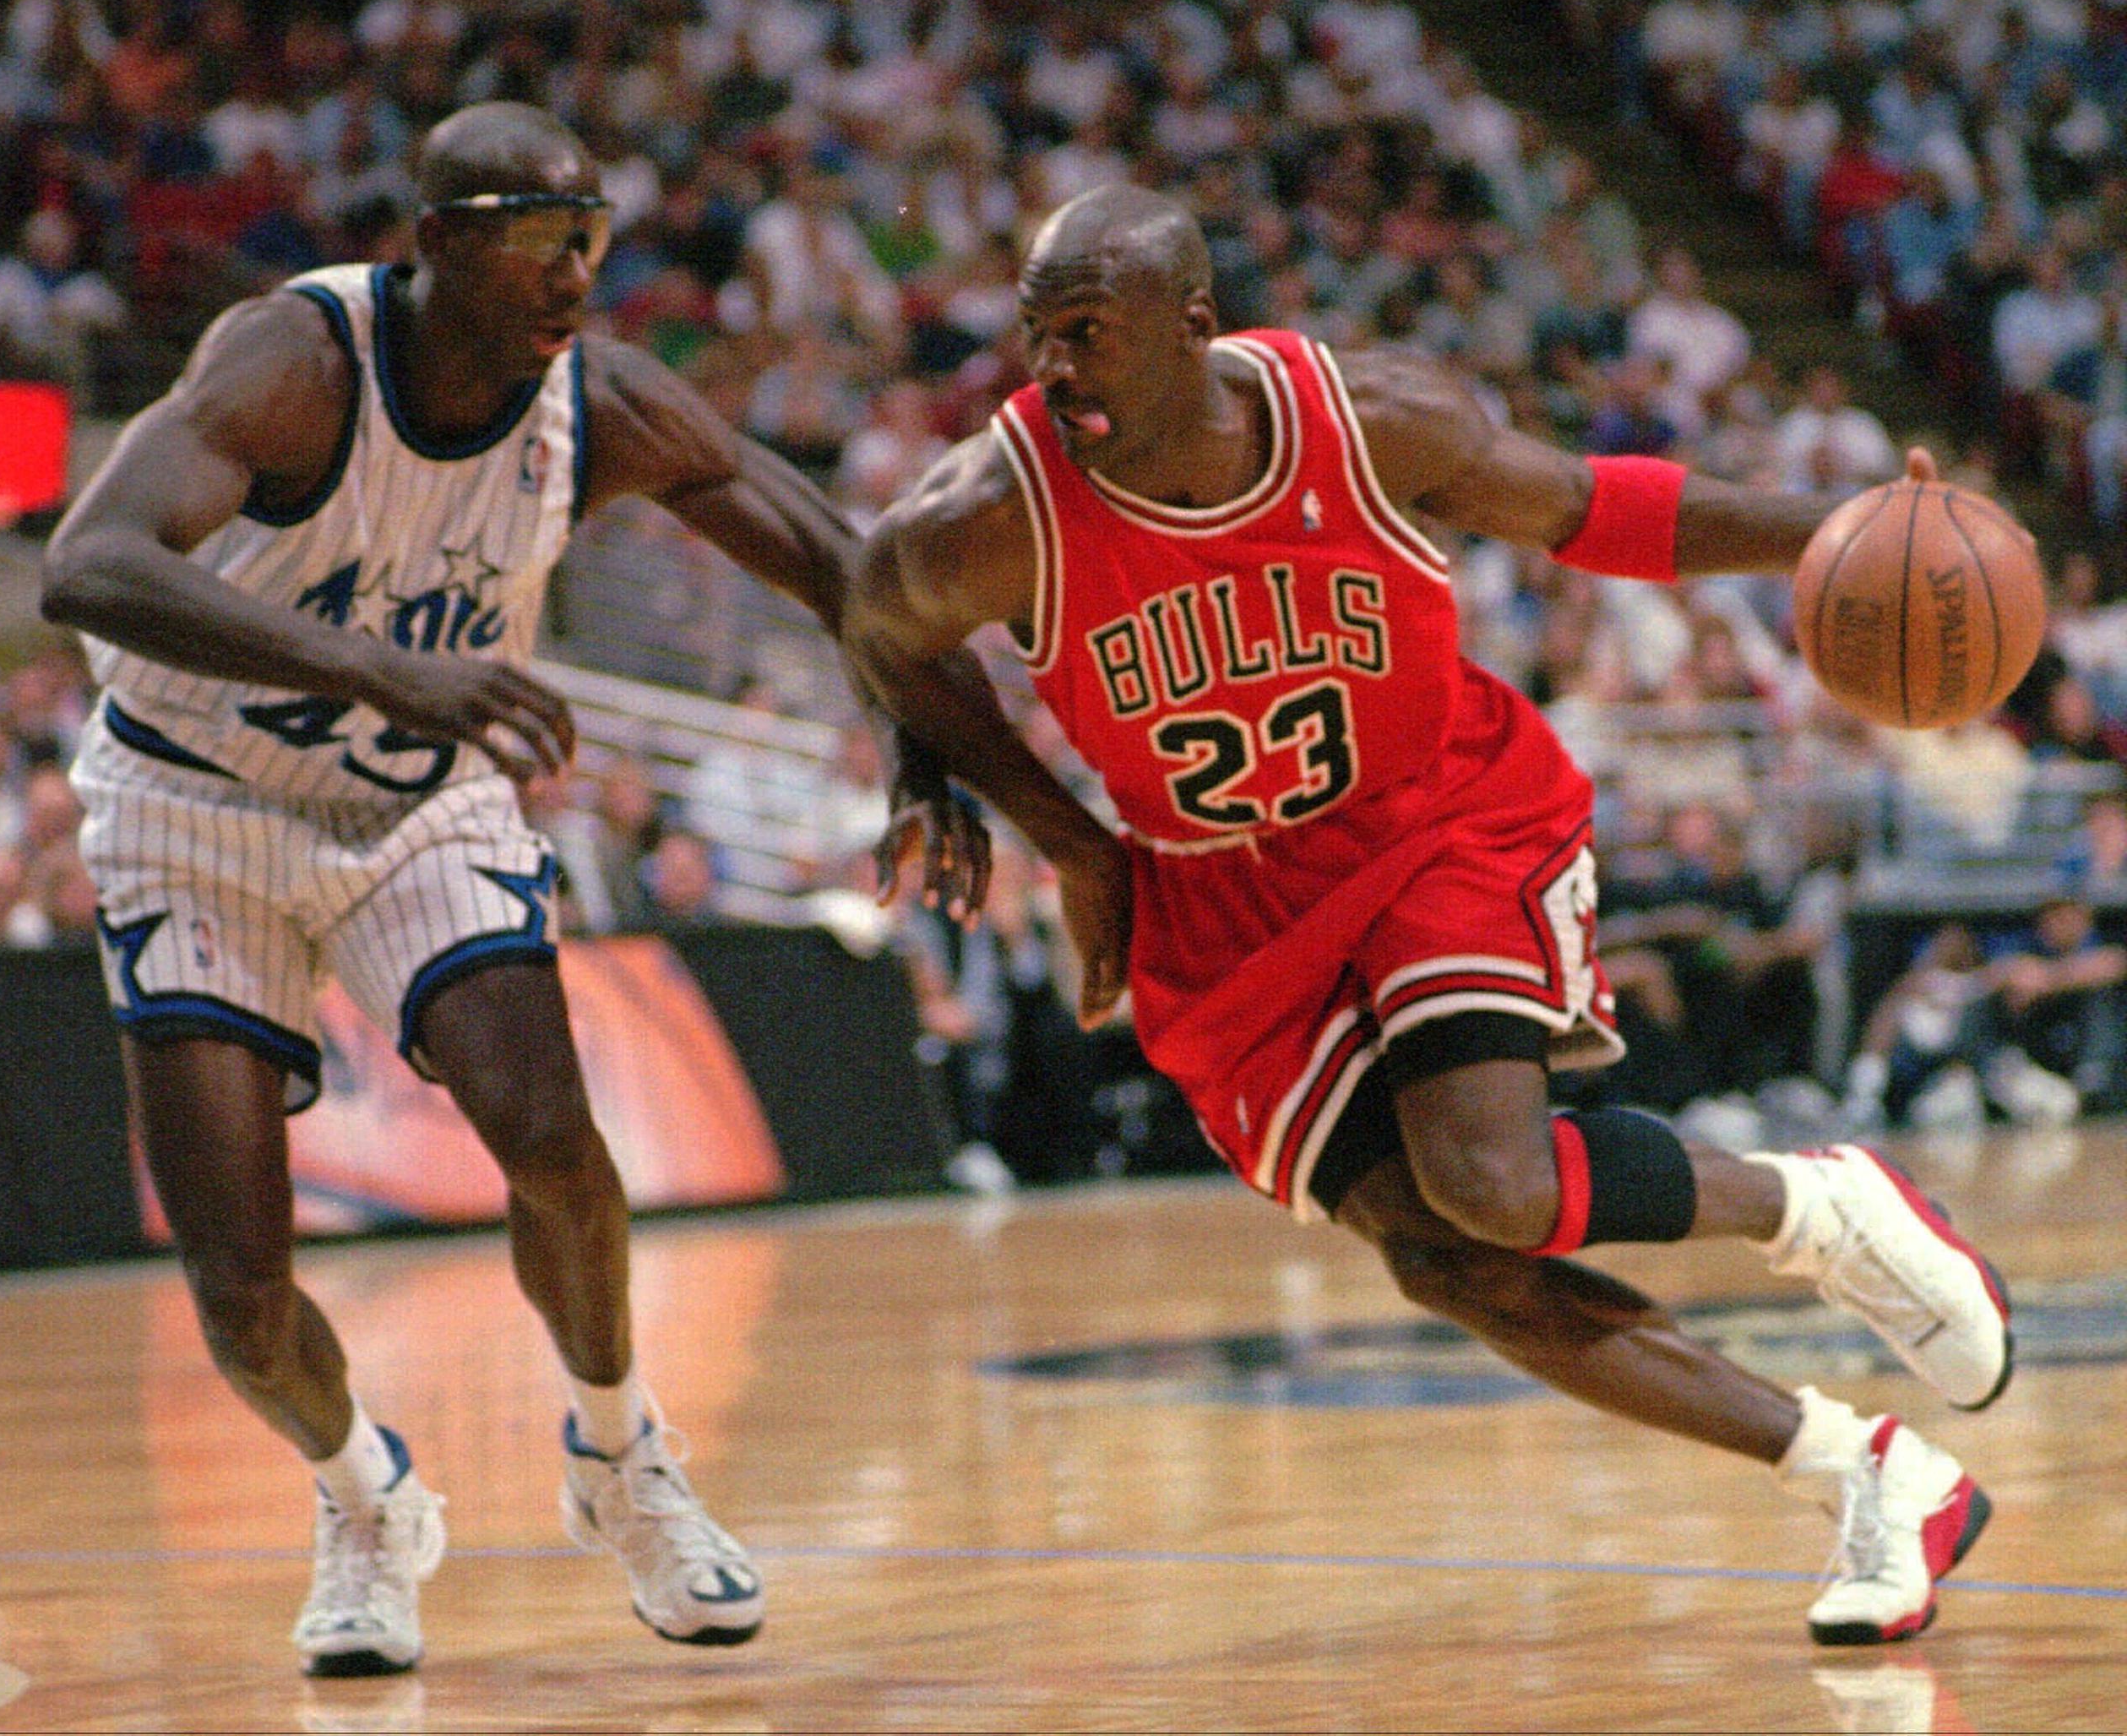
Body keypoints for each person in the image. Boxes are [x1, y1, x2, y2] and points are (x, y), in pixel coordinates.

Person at [847, 184, 2013, 1648]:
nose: (1055, 371)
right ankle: (1870, 1475)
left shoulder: (1368, 421)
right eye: (1039, 340)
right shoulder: (992, 514)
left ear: (1194, 329)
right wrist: (1049, 832)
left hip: (1435, 822)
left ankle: (1828, 1208)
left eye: (1087, 335)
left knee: (1492, 1179)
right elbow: (879, 625)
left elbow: (1594, 509)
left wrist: (1830, 530)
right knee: (1445, 1256)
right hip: (1219, 904)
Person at [41, 103, 987, 1678]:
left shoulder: (597, 405)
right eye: (537, 239)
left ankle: (621, 1457)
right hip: (189, 801)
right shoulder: (295, 365)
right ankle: (365, 1498)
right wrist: (382, 668)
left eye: (590, 239)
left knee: (553, 1133)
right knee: (240, 1295)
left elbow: (833, 550)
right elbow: (89, 560)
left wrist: (922, 735)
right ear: (435, 243)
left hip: (418, 802)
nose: (573, 275)